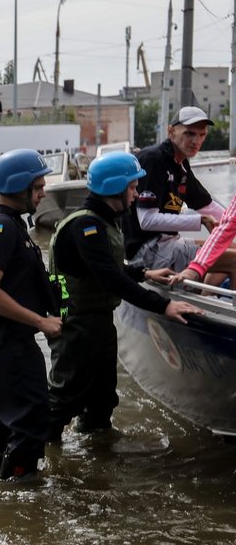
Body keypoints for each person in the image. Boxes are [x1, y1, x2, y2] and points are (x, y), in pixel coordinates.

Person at [47, 152, 204, 439]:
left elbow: (109, 267)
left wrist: (145, 274)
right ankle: (39, 463)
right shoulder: (86, 226)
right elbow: (110, 278)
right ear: (114, 188)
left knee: (103, 399)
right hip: (77, 328)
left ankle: (95, 456)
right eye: (132, 187)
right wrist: (164, 305)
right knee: (63, 400)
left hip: (98, 322)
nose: (136, 194)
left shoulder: (102, 220)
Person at [0, 149, 62, 481]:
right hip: (3, 342)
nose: (44, 192)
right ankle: (22, 500)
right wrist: (40, 321)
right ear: (19, 187)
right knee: (32, 421)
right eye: (38, 186)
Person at [127, 106, 236, 285]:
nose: (196, 141)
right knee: (234, 260)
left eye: (202, 135)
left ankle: (204, 299)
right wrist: (198, 220)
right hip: (146, 250)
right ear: (171, 131)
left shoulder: (181, 164)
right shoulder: (153, 160)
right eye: (189, 134)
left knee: (225, 247)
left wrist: (227, 224)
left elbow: (209, 207)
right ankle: (220, 308)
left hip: (169, 243)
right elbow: (146, 220)